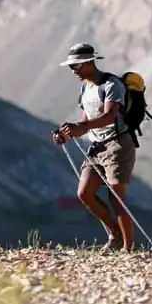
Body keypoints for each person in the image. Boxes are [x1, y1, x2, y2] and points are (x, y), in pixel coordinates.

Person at [52, 43, 137, 252]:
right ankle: (114, 235)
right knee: (85, 193)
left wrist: (82, 127)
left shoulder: (111, 84)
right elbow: (86, 119)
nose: (74, 71)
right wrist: (68, 134)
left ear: (90, 62)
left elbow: (110, 117)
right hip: (96, 147)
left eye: (77, 66)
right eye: (72, 67)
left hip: (118, 145)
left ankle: (128, 248)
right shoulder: (85, 88)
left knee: (116, 197)